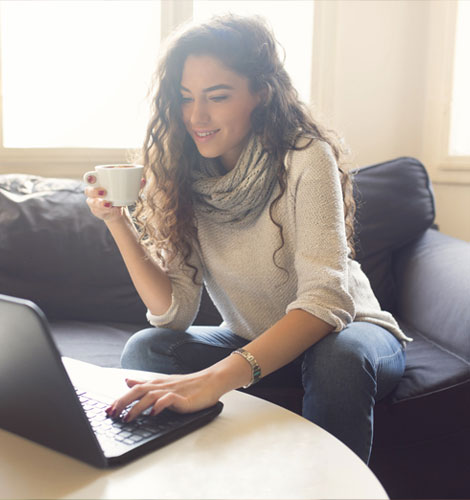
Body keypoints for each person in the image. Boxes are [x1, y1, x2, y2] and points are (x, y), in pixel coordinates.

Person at [85, 14, 410, 464]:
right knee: (147, 347)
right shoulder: (183, 171)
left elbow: (326, 301)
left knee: (339, 356)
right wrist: (117, 222)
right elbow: (174, 312)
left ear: (261, 93)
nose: (197, 116)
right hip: (253, 338)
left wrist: (216, 379)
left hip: (352, 334)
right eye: (185, 98)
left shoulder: (304, 156)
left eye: (217, 97)